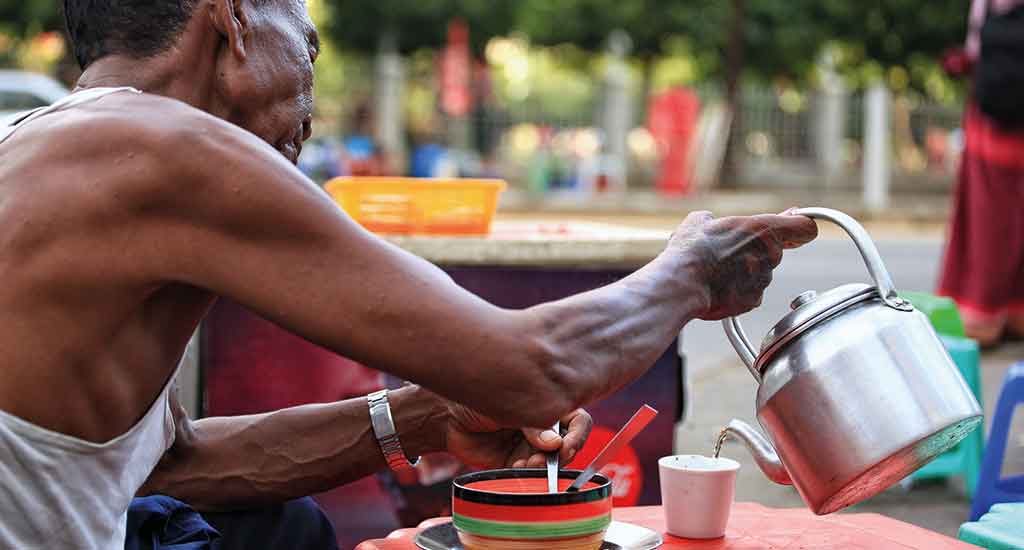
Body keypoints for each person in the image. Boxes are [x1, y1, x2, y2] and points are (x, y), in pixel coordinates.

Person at [0, 0, 818, 548]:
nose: (314, 91)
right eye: (307, 38)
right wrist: (692, 273)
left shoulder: (55, 143)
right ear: (236, 17)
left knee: (282, 527)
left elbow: (170, 467)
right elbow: (535, 368)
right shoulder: (162, 152)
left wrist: (426, 418)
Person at [939, 0, 1024, 347]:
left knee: (987, 222)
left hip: (990, 131)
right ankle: (1017, 313)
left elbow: (973, 51)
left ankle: (982, 315)